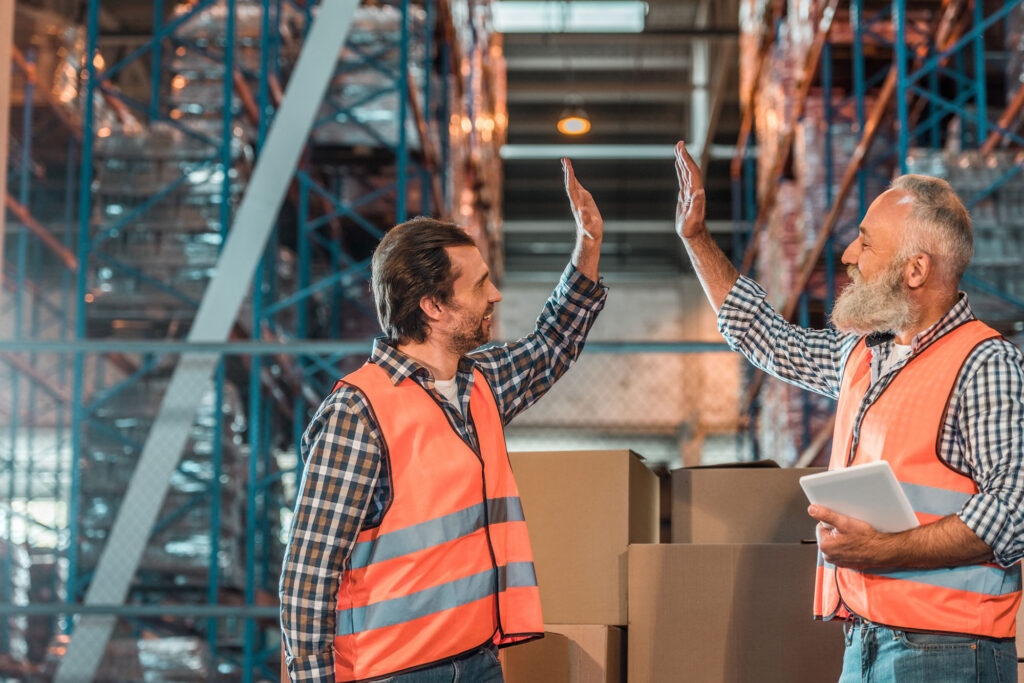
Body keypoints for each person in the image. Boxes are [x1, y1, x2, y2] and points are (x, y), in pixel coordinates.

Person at [673, 141, 1023, 680]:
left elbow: (1013, 511)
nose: (848, 256)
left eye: (866, 242)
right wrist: (696, 240)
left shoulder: (984, 362)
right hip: (866, 644)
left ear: (915, 270)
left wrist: (886, 550)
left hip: (949, 651)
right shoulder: (865, 356)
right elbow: (768, 339)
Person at [279, 159, 606, 682]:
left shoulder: (480, 385)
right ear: (433, 305)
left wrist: (587, 246)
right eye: (479, 285)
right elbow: (308, 574)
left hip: (478, 660)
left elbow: (553, 343)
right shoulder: (358, 411)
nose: (495, 295)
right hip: (395, 673)